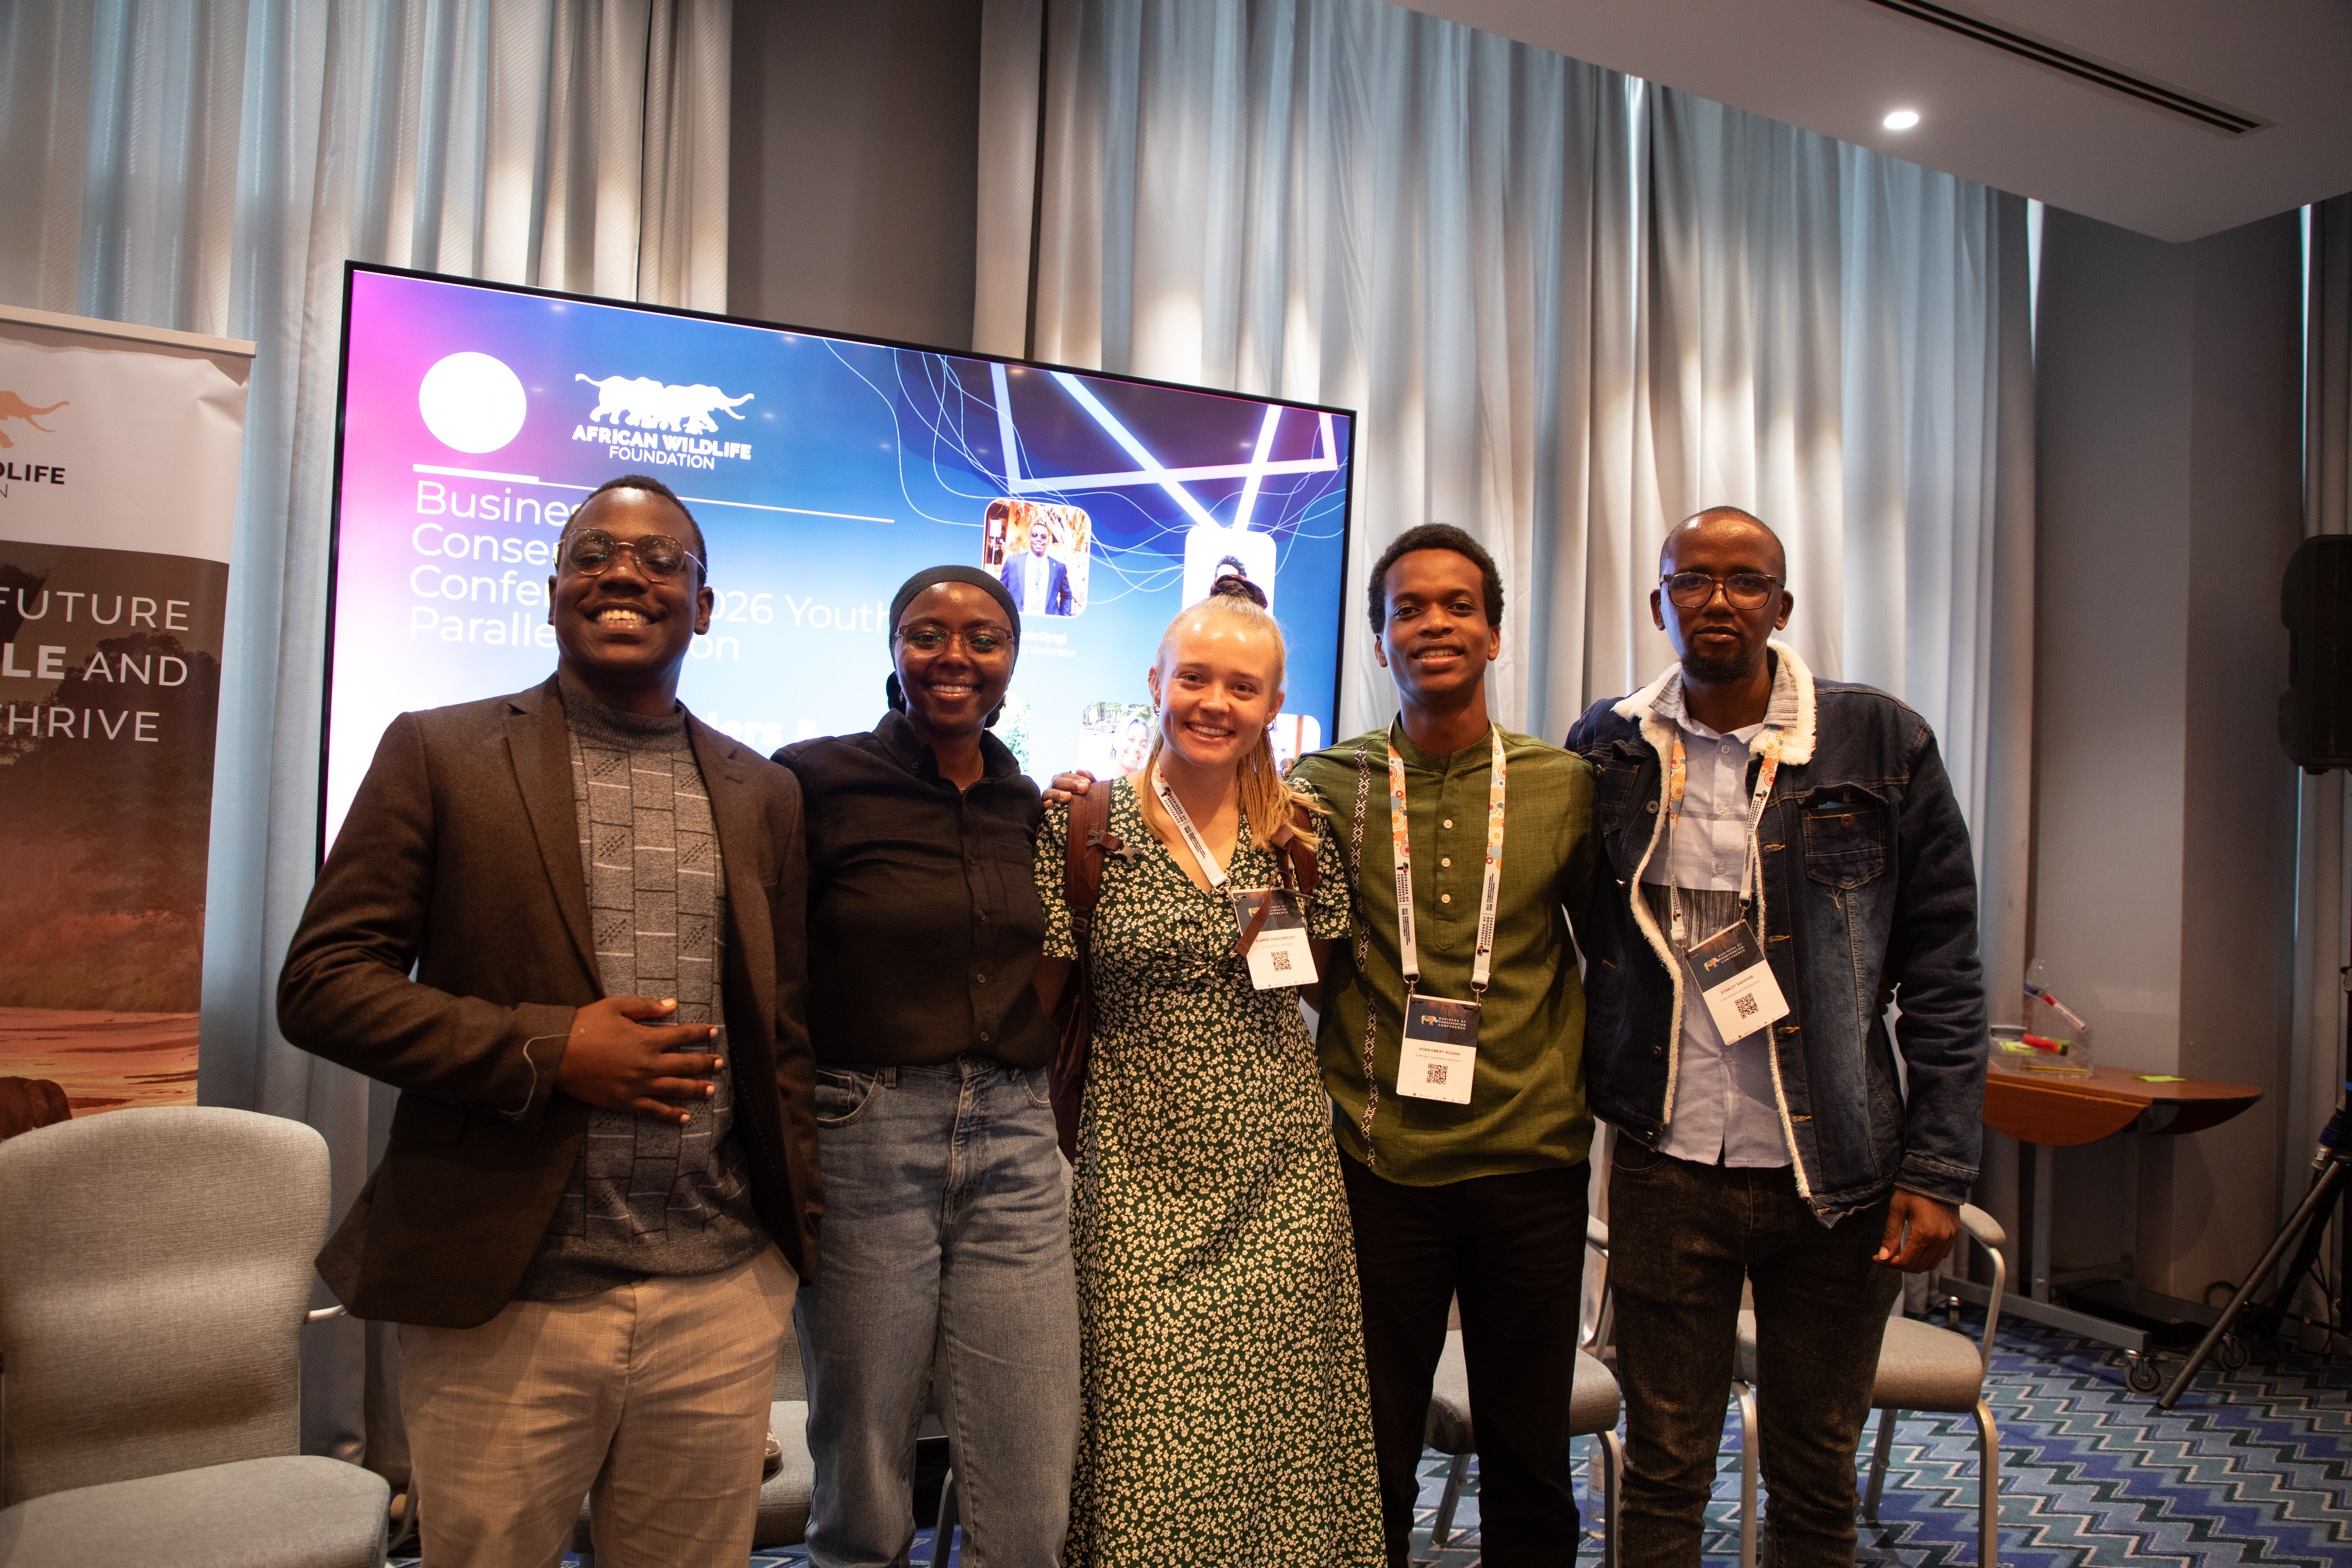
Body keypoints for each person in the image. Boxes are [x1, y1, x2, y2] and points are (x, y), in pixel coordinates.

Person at [278, 473, 819, 1567]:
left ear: (703, 605)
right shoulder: (439, 751)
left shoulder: (763, 789)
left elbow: (784, 1029)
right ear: (554, 591)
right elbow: (324, 981)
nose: (624, 572)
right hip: (506, 1295)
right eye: (593, 553)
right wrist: (548, 1046)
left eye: (661, 558)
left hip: (715, 1296)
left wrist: (782, 1251)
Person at [1058, 523, 1601, 1566]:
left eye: (1456, 606)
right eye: (1407, 608)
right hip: (1375, 1159)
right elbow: (1291, 954)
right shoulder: (1319, 791)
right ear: (1377, 637)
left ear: (1492, 632)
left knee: (1528, 1457)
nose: (1432, 624)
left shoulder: (1559, 784)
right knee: (1369, 1448)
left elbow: (1605, 958)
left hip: (1529, 1163)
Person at [1564, 506, 1989, 1568]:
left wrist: (1936, 1168)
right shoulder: (1607, 745)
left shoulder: (1880, 741)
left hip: (1837, 1168)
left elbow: (1942, 967)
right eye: (1692, 579)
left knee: (1813, 1468)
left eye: (1744, 580)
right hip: (1668, 1158)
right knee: (1663, 1463)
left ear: (1781, 604)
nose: (1717, 599)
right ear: (1658, 600)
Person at [1034, 593, 1383, 1568]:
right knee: (1142, 1435)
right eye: (1194, 678)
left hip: (1280, 1181)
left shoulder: (1304, 834)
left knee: (1282, 1442)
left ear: (1274, 704)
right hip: (1132, 1184)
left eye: (1243, 685)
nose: (1214, 702)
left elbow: (1321, 982)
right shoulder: (1085, 825)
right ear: (1156, 684)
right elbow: (1040, 1006)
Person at [774, 566, 1079, 1568]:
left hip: (1016, 1138)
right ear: (893, 648)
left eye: (983, 639)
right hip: (867, 1128)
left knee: (1032, 1464)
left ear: (1012, 661)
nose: (956, 657)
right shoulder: (812, 781)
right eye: (928, 634)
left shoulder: (1024, 800)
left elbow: (1049, 955)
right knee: (863, 1467)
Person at [1000, 518, 1074, 615]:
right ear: (1030, 538)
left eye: (1043, 537)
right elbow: (1000, 591)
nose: (1039, 539)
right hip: (1019, 622)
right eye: (1035, 536)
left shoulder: (1058, 568)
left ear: (1049, 540)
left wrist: (1064, 619)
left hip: (1048, 626)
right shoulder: (1013, 563)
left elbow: (1067, 595)